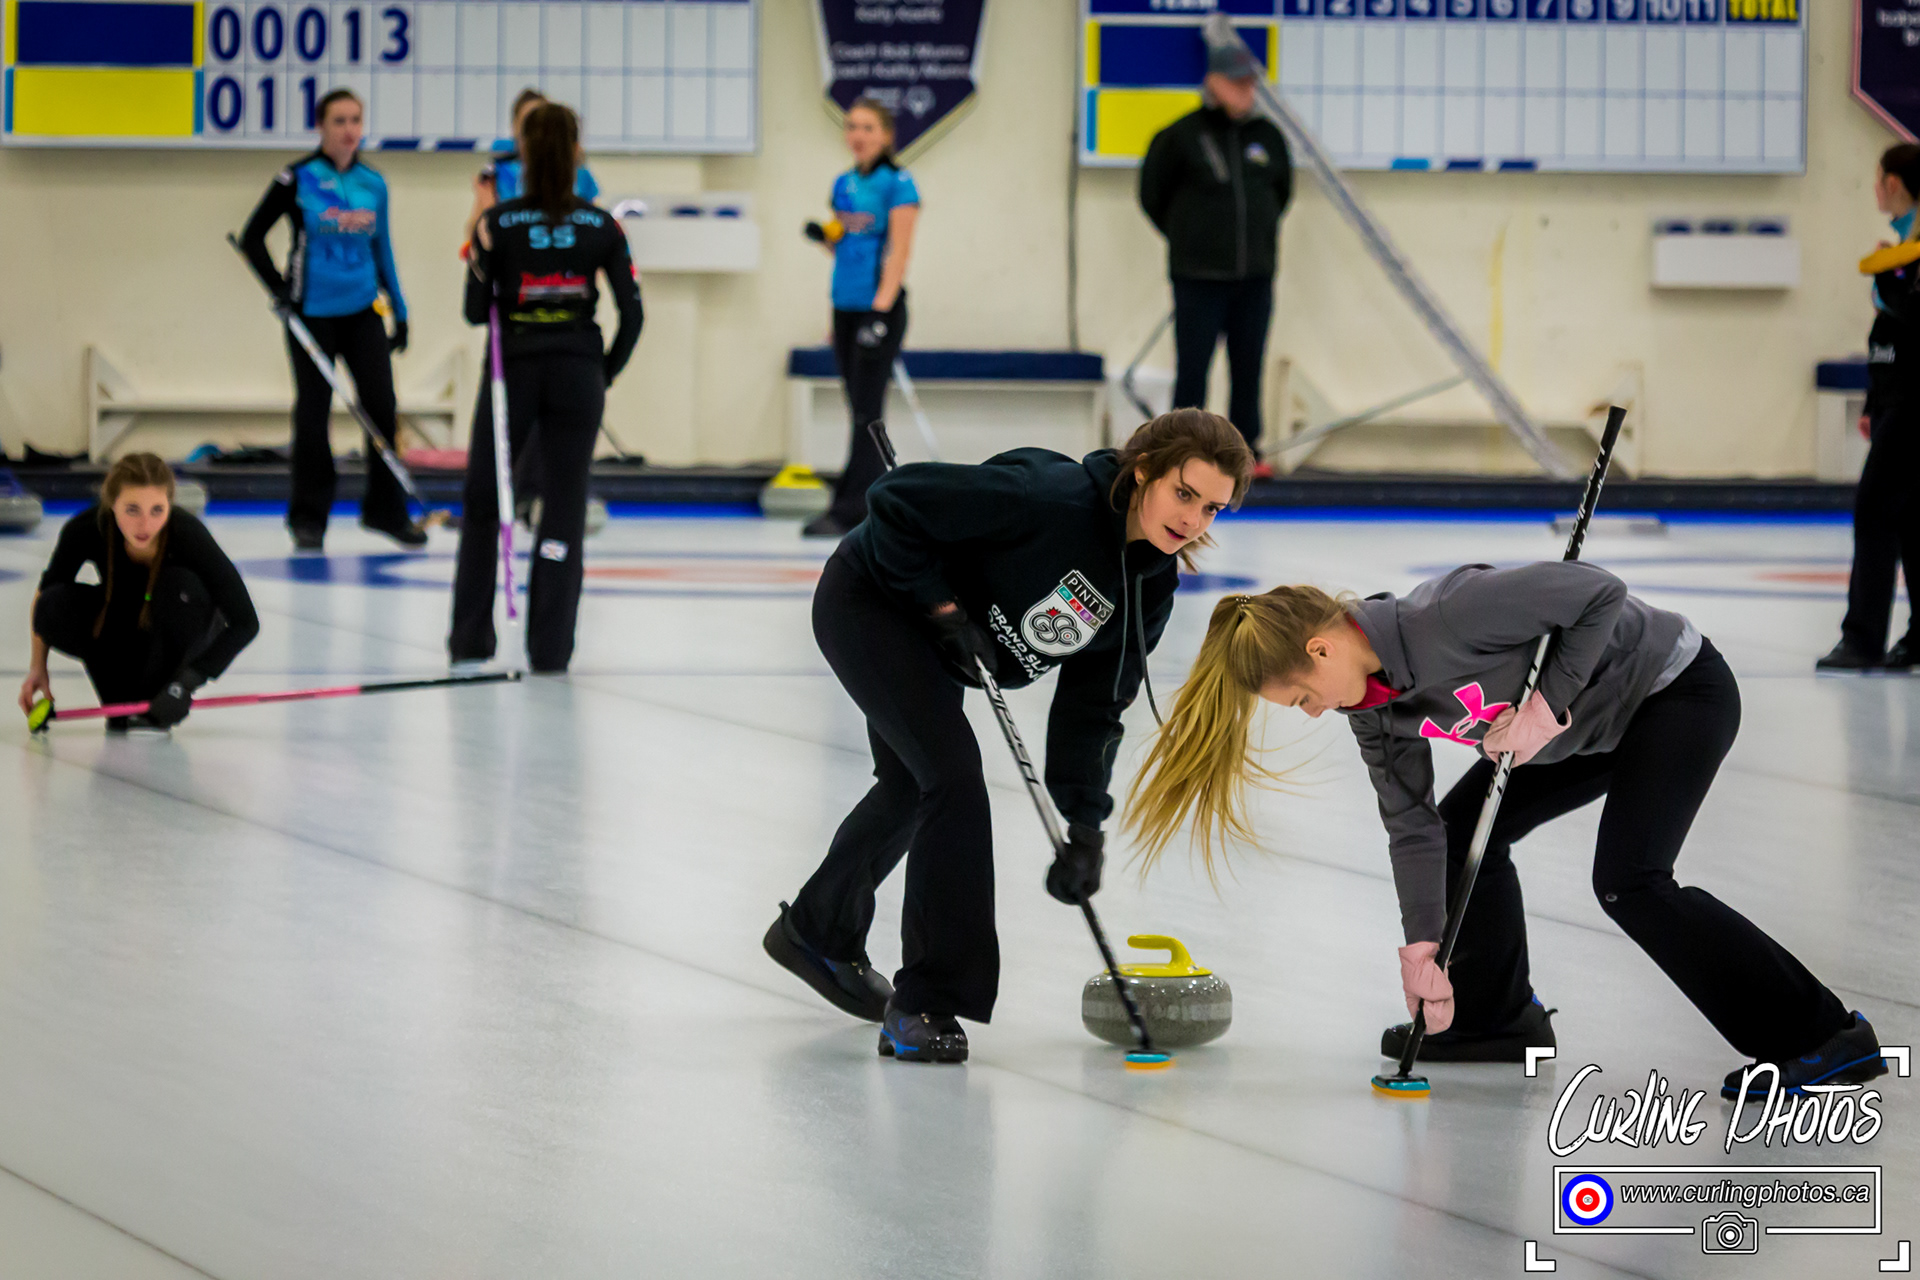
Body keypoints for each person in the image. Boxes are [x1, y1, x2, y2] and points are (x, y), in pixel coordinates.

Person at [1127, 565, 1888, 1099]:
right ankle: (1498, 1018)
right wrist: (1424, 948)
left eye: (1301, 698)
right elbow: (1412, 827)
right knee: (1464, 832)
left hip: (1672, 691)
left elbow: (1598, 594)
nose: (1314, 712)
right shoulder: (1373, 709)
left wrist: (1548, 704)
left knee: (1631, 883)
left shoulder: (1450, 612)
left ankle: (1822, 1036)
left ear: (1320, 650)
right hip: (1580, 732)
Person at [763, 410, 1253, 1064]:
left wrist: (1084, 825)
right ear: (1144, 471)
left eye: (1212, 508)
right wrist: (941, 605)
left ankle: (817, 929)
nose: (1192, 520)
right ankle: (924, 1001)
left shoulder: (1148, 585)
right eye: (1183, 494)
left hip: (934, 644)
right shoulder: (1047, 498)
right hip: (871, 599)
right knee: (952, 779)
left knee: (915, 783)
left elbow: (1094, 707)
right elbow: (896, 499)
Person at [449, 103, 644, 675]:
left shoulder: (499, 222)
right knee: (563, 507)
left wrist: (488, 257)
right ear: (577, 151)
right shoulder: (601, 225)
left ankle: (470, 639)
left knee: (485, 500)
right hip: (578, 372)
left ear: (527, 153)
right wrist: (603, 372)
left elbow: (473, 310)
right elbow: (633, 315)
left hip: (514, 371)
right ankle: (551, 649)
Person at [240, 87, 423, 552]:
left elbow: (383, 249)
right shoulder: (297, 178)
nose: (349, 130)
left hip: (363, 310)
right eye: (339, 121)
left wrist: (400, 311)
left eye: (355, 120)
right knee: (313, 413)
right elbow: (252, 237)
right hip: (312, 314)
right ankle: (308, 518)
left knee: (381, 407)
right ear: (320, 126)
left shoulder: (373, 184)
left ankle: (386, 512)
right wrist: (279, 288)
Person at [18, 454, 258, 732]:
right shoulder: (86, 528)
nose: (145, 525)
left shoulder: (188, 534)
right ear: (112, 504)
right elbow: (46, 596)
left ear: (170, 504)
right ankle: (126, 698)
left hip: (183, 623)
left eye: (157, 510)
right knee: (53, 604)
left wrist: (187, 683)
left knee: (178, 584)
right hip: (121, 620)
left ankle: (161, 688)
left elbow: (245, 622)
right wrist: (38, 668)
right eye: (132, 510)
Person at [1139, 39, 1292, 465]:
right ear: (1213, 83)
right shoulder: (1179, 137)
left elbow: (1280, 195)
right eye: (1237, 83)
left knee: (1248, 368)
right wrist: (1191, 238)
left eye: (1251, 83)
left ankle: (1246, 454)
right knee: (1193, 371)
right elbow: (1152, 196)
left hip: (1255, 278)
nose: (1247, 91)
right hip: (1198, 277)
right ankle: (1181, 453)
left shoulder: (1268, 137)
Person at [1818, 142, 1920, 674]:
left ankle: (1862, 638)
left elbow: (1911, 314)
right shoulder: (1902, 248)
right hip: (1895, 397)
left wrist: (1888, 286)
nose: (1876, 189)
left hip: (1914, 404)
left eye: (1879, 180)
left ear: (1894, 184)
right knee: (1910, 516)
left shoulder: (1909, 256)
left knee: (1876, 510)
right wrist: (1874, 400)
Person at [800, 97, 921, 540]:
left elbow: (898, 252)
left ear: (885, 135)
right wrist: (823, 238)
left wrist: (879, 312)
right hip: (845, 306)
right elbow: (846, 246)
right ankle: (869, 502)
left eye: (868, 127)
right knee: (858, 410)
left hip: (878, 309)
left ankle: (854, 508)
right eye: (852, 126)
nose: (858, 135)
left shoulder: (898, 184)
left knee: (868, 412)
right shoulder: (844, 183)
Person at [463, 88, 602, 250]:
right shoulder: (498, 173)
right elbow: (476, 237)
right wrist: (488, 210)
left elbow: (596, 224)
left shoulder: (580, 173)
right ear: (515, 128)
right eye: (528, 125)